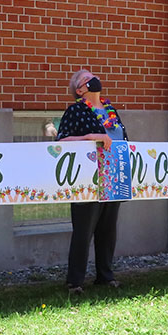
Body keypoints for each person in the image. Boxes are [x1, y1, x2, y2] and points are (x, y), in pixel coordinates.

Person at [56, 69, 128, 295]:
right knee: (84, 230)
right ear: (79, 90)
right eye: (87, 79)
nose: (94, 80)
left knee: (108, 230)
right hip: (88, 178)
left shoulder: (110, 110)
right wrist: (89, 138)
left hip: (114, 176)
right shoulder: (76, 111)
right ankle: (75, 281)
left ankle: (105, 276)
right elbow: (62, 140)